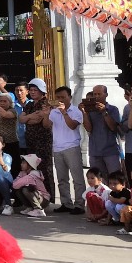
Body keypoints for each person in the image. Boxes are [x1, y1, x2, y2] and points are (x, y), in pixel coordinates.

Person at [48, 85, 85, 214]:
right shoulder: (54, 111)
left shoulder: (76, 111)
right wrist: (47, 112)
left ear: (70, 97)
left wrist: (64, 113)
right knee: (62, 178)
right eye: (58, 97)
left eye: (63, 97)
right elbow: (46, 125)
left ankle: (79, 204)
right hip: (57, 148)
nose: (60, 100)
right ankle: (66, 203)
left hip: (72, 147)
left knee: (77, 178)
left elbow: (73, 126)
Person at [21, 79, 55, 207]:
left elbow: (39, 120)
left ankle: (47, 198)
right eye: (31, 90)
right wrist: (31, 117)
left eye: (36, 90)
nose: (33, 92)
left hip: (43, 141)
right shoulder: (29, 105)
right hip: (31, 141)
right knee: (32, 168)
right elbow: (22, 119)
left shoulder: (45, 104)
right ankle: (34, 197)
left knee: (44, 169)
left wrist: (29, 118)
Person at [79, 85, 122, 177]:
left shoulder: (113, 109)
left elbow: (113, 127)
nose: (97, 96)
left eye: (99, 94)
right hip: (95, 151)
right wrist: (84, 113)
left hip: (110, 150)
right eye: (95, 94)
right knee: (98, 180)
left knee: (115, 177)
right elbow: (88, 128)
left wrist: (104, 112)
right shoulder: (89, 111)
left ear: (106, 94)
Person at [12, 154, 49, 218]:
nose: (21, 164)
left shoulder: (34, 174)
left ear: (30, 165)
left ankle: (38, 209)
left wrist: (18, 182)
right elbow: (15, 184)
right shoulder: (22, 173)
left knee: (27, 189)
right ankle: (30, 207)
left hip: (44, 199)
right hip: (37, 197)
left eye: (23, 163)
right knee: (18, 190)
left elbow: (15, 184)